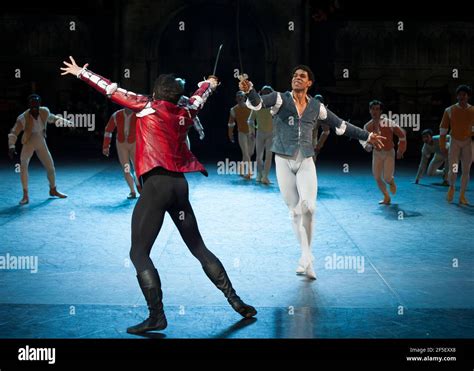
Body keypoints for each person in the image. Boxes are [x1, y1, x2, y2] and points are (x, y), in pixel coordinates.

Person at [61, 56, 256, 334]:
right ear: (178, 96)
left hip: (156, 187)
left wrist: (81, 72)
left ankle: (156, 316)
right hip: (179, 186)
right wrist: (209, 84)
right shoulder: (186, 110)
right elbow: (200, 97)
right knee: (198, 248)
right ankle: (235, 301)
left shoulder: (147, 106)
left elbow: (110, 89)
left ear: (155, 92)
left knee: (138, 252)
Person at [239, 65, 385, 280]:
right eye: (295, 75)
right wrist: (249, 90)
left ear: (309, 83)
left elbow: (341, 126)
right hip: (283, 160)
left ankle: (306, 257)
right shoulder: (278, 98)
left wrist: (367, 136)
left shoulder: (317, 106)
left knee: (309, 207)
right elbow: (257, 104)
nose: (297, 78)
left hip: (306, 160)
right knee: (295, 212)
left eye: (302, 76)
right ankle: (307, 256)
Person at [8, 94, 68, 205]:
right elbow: (14, 132)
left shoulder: (44, 112)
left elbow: (53, 118)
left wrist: (67, 122)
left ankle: (53, 189)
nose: (34, 107)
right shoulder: (23, 118)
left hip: (41, 141)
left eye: (36, 104)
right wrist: (11, 146)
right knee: (24, 165)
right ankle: (25, 194)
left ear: (39, 104)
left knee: (50, 166)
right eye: (32, 105)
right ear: (29, 105)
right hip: (28, 142)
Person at [363, 100, 407, 205]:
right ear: (370, 111)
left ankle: (391, 182)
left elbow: (402, 134)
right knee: (377, 177)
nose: (375, 111)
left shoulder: (389, 122)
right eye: (373, 109)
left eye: (377, 109)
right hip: (377, 153)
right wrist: (367, 145)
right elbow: (364, 139)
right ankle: (386, 196)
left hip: (388, 153)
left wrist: (401, 150)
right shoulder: (367, 126)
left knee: (387, 178)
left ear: (381, 111)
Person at [440, 84, 474, 205]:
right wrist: (442, 144)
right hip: (454, 142)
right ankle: (452, 187)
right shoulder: (449, 110)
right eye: (459, 95)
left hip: (468, 143)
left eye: (464, 95)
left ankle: (462, 195)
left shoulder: (473, 110)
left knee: (466, 170)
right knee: (454, 169)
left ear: (468, 96)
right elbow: (443, 129)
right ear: (457, 96)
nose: (461, 97)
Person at [103, 108, 141, 199]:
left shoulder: (139, 115)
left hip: (135, 144)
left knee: (138, 169)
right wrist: (105, 146)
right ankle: (132, 191)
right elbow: (108, 130)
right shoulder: (116, 115)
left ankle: (139, 186)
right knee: (126, 168)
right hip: (121, 145)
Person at [247, 85, 274, 184]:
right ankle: (260, 174)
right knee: (259, 156)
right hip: (260, 133)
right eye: (264, 93)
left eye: (268, 93)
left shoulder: (274, 105)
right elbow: (250, 120)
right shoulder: (256, 106)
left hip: (271, 133)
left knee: (268, 156)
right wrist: (251, 131)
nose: (266, 94)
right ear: (261, 94)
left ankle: (265, 176)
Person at [228, 91, 254, 179]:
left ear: (244, 98)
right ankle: (249, 172)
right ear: (236, 99)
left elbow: (255, 119)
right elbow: (231, 123)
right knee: (246, 153)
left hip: (251, 132)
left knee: (250, 153)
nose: (240, 98)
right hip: (241, 132)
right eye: (238, 97)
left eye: (241, 96)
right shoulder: (233, 109)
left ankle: (241, 169)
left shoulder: (250, 107)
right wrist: (230, 133)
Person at [312, 94, 330, 163]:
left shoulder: (322, 113)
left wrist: (318, 147)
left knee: (311, 161)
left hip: (312, 138)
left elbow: (326, 132)